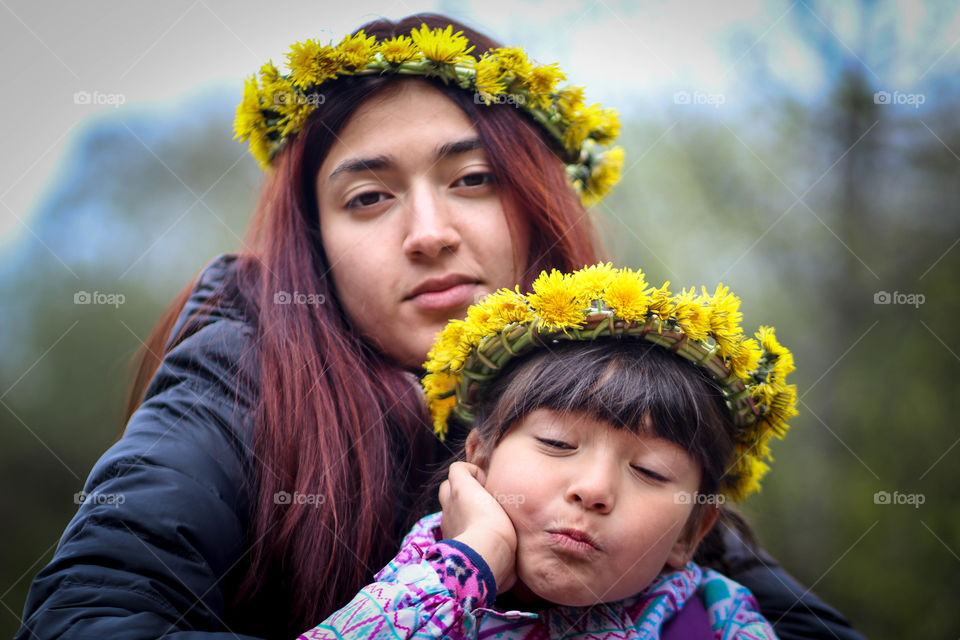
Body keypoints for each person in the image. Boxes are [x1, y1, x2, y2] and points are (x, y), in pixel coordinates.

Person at [14, 14, 865, 640]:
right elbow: (90, 620)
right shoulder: (239, 371)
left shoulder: (627, 401)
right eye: (369, 197)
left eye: (473, 179)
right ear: (316, 245)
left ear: (540, 209)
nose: (429, 232)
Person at [297, 265, 789, 639]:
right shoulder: (420, 583)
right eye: (557, 444)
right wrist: (474, 560)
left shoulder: (716, 620)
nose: (594, 490)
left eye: (650, 471)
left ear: (691, 532)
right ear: (479, 463)